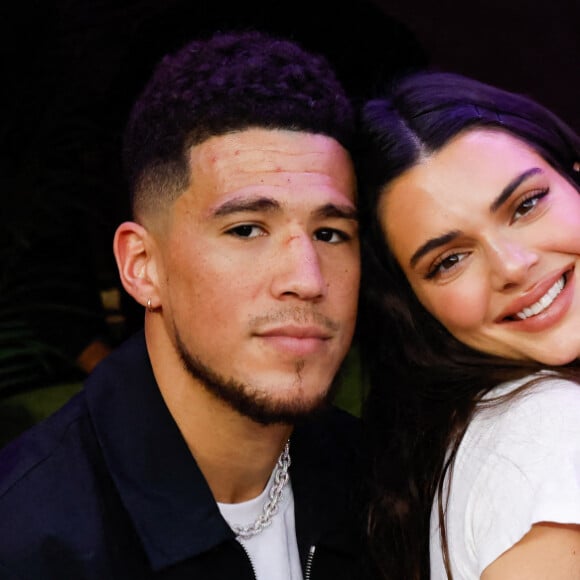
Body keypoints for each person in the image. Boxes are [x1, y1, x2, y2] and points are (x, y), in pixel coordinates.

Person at [0, 29, 365, 579]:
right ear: (142, 266)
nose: (306, 279)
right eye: (246, 229)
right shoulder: (28, 538)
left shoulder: (382, 484)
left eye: (331, 233)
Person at [355, 70, 580, 579]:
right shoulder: (551, 432)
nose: (512, 266)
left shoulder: (487, 431)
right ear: (413, 307)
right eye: (449, 261)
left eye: (525, 205)